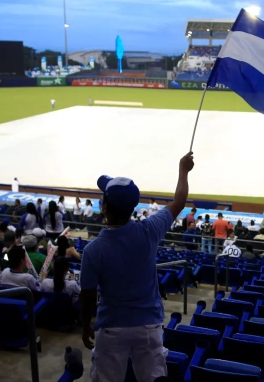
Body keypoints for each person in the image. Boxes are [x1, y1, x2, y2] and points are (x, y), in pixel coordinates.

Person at [80, 152, 194, 382]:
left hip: (111, 328)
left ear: (104, 207)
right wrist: (183, 170)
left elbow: (88, 295)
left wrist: (85, 325)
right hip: (148, 326)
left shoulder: (93, 250)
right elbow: (179, 202)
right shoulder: (150, 230)